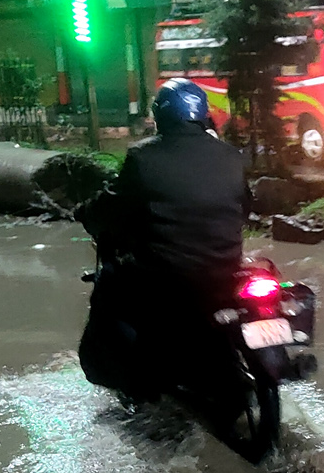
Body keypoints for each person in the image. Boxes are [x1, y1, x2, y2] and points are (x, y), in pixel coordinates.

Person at [78, 77, 250, 402]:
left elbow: (113, 206)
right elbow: (245, 208)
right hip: (224, 271)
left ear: (161, 115)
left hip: (164, 276)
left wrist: (87, 213)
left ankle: (134, 381)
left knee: (109, 285)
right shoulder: (232, 156)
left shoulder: (143, 157)